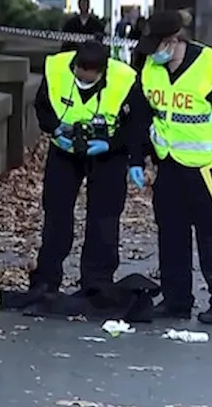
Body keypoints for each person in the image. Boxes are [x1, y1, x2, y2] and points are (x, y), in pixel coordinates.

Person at [127, 10, 212, 324]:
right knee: (172, 237)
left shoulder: (210, 67)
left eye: (159, 46)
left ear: (174, 41)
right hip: (169, 166)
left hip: (208, 168)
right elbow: (141, 117)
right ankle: (176, 301)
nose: (154, 54)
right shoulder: (151, 68)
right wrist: (136, 159)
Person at [29, 41, 146, 295]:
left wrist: (115, 146)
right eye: (79, 76)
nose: (82, 80)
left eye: (89, 78)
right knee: (56, 215)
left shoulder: (125, 80)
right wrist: (55, 129)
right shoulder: (57, 68)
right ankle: (46, 278)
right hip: (64, 151)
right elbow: (42, 105)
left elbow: (136, 125)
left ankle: (97, 281)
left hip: (108, 154)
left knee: (104, 218)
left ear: (102, 72)